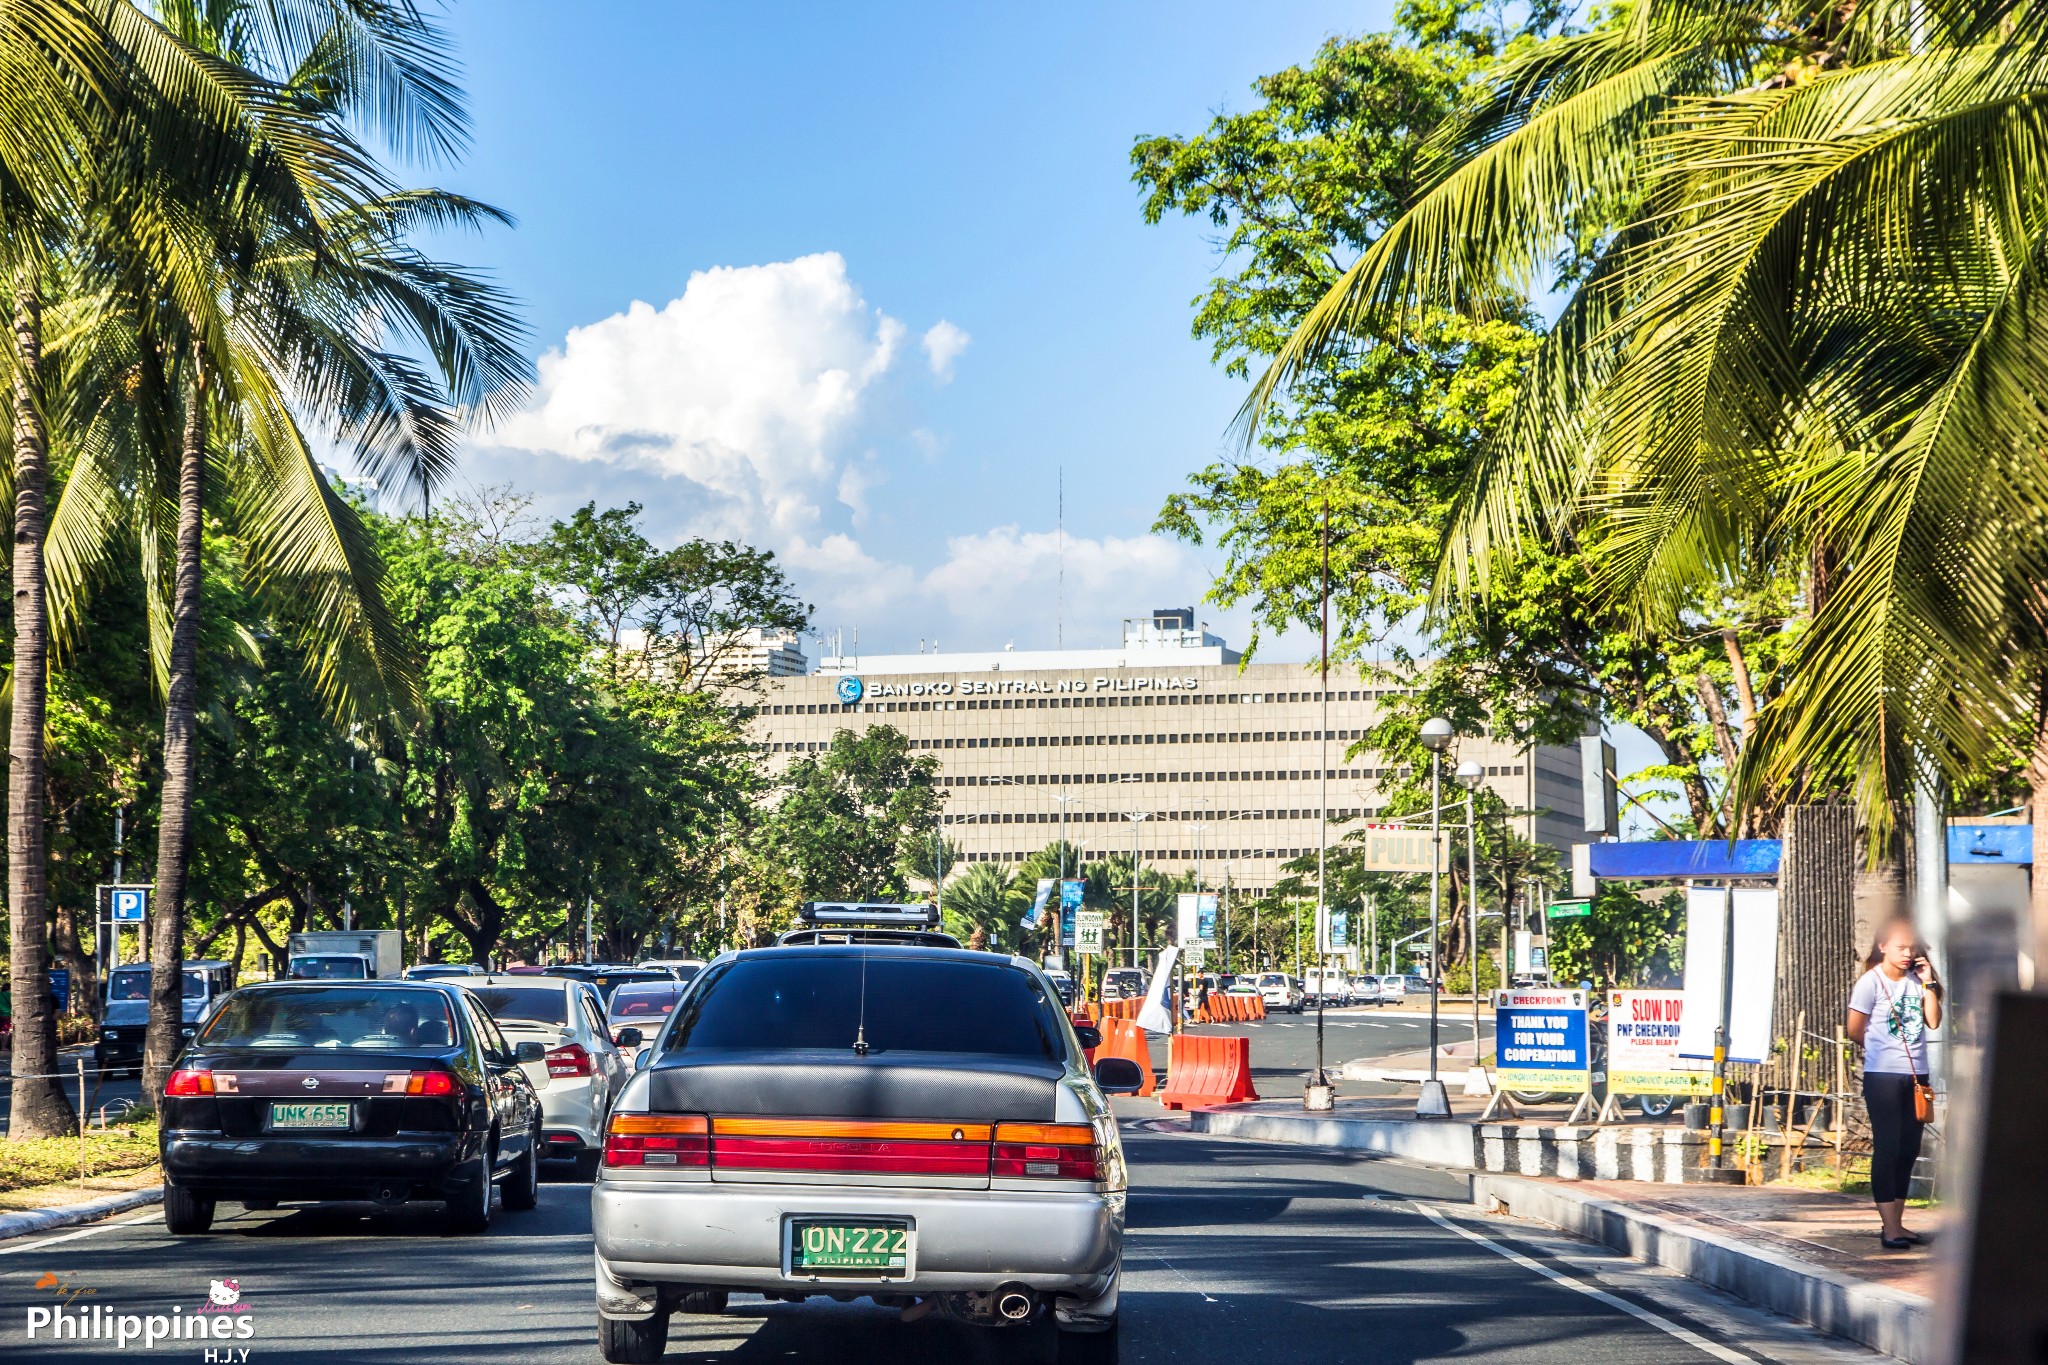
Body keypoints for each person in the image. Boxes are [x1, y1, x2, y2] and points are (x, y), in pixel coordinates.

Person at [1846, 917, 1943, 1249]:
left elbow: (1932, 1021)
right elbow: (1854, 1029)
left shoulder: (1918, 982)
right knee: (1888, 1148)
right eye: (1900, 947)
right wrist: (1881, 1052)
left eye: (1911, 947)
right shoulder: (1869, 983)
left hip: (1917, 1076)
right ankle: (1889, 1228)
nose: (1907, 953)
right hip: (1883, 1077)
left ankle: (1899, 1224)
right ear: (1883, 946)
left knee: (1909, 1149)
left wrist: (1929, 983)